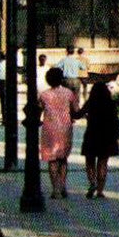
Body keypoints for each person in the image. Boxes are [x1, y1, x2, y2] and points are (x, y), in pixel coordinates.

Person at [38, 66, 78, 199]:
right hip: (65, 128)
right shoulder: (68, 93)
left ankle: (55, 189)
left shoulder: (44, 95)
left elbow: (39, 109)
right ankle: (62, 185)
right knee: (63, 158)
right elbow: (75, 110)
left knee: (52, 159)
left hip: (49, 128)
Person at [78, 79, 119, 199]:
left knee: (90, 162)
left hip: (92, 135)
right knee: (103, 163)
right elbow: (116, 121)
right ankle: (100, 191)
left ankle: (92, 182)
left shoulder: (90, 102)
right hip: (107, 136)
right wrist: (115, 136)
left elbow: (78, 114)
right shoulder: (111, 103)